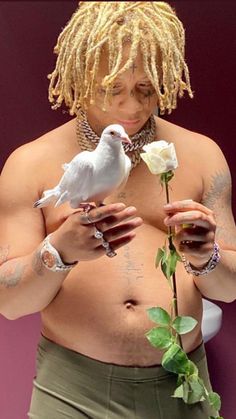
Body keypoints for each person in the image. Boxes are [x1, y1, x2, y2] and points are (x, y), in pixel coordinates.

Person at [0, 2, 235, 418]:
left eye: (146, 88)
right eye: (113, 89)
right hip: (71, 392)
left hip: (182, 385)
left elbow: (229, 288)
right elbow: (10, 302)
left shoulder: (202, 155)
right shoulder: (31, 164)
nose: (131, 107)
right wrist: (59, 252)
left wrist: (205, 257)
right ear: (80, 77)